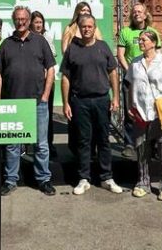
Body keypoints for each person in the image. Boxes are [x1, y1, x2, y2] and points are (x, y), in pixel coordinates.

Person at [0, 6, 56, 196]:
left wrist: (45, 95)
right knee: (12, 144)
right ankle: (11, 179)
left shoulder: (40, 41)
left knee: (41, 144)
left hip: (37, 102)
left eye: (24, 19)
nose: (21, 22)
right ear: (14, 20)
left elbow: (51, 68)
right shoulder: (6, 44)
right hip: (13, 104)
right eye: (17, 19)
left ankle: (43, 179)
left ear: (29, 20)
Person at [61, 14, 123, 196]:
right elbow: (65, 77)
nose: (87, 29)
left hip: (102, 100)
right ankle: (83, 179)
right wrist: (65, 103)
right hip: (80, 101)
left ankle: (106, 177)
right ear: (79, 28)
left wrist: (116, 98)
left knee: (103, 140)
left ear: (94, 27)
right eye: (84, 27)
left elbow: (113, 73)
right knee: (83, 141)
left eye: (90, 26)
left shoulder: (103, 47)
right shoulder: (72, 49)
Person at [126, 30, 162, 201]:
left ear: (153, 42)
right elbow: (130, 86)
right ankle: (143, 181)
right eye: (139, 40)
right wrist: (129, 106)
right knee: (142, 147)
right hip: (141, 111)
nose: (140, 42)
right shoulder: (135, 63)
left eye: (143, 40)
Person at [116, 3, 161, 159]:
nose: (136, 14)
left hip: (150, 80)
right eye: (134, 12)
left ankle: (152, 144)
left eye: (139, 11)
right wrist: (131, 71)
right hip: (131, 78)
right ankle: (129, 144)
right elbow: (120, 54)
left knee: (152, 112)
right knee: (130, 112)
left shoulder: (153, 32)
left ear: (145, 14)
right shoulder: (125, 32)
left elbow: (158, 56)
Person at [30, 10, 58, 156]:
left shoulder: (47, 37)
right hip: (30, 83)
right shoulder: (26, 37)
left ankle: (49, 145)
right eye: (36, 22)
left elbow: (52, 59)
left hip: (46, 83)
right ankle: (28, 146)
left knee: (47, 115)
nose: (39, 25)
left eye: (40, 22)